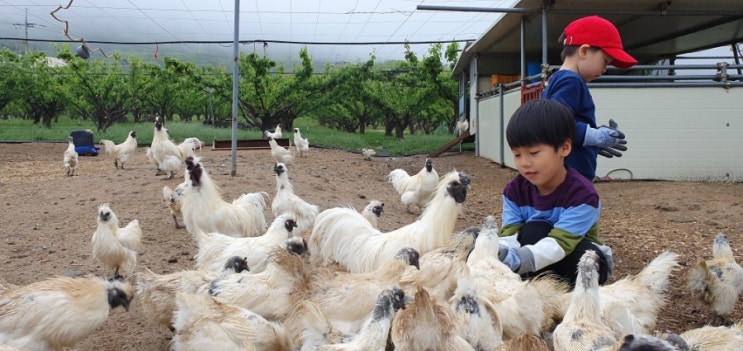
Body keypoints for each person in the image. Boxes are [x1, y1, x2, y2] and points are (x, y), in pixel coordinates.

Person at [497, 99, 613, 287]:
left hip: (575, 259)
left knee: (589, 261)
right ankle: (537, 292)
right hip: (537, 259)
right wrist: (498, 255)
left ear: (564, 148)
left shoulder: (583, 196)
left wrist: (516, 261)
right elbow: (509, 234)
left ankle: (571, 301)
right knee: (533, 230)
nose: (524, 163)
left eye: (533, 153)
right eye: (517, 154)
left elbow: (560, 243)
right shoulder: (514, 191)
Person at [541, 15, 637, 181]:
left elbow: (556, 123)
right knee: (582, 207)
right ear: (584, 51)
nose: (605, 69)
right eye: (605, 61)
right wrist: (595, 136)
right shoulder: (572, 81)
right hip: (571, 176)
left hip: (562, 174)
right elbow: (555, 122)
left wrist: (589, 142)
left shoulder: (557, 80)